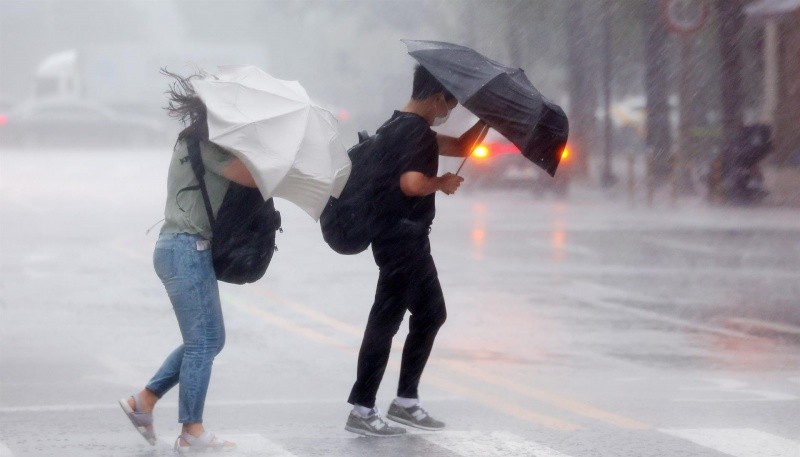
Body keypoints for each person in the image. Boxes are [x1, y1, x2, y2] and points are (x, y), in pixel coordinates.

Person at [345, 65, 487, 437]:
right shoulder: (415, 134)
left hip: (398, 237)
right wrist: (441, 183)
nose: (450, 110)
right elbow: (410, 184)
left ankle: (405, 400)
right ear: (436, 97)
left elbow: (458, 146)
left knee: (430, 313)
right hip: (402, 240)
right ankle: (363, 406)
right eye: (450, 103)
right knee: (387, 321)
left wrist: (487, 120)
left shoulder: (399, 126)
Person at [118, 70, 256, 452]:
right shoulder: (206, 143)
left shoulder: (199, 139)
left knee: (211, 340)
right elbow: (249, 177)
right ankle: (191, 431)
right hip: (184, 248)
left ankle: (143, 402)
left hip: (183, 248)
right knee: (203, 343)